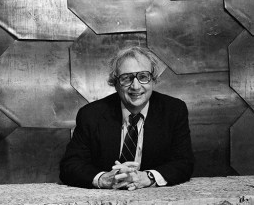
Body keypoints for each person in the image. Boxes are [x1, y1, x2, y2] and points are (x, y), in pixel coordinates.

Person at [60, 45, 194, 190]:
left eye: (143, 77)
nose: (136, 86)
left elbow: (184, 162)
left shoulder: (174, 110)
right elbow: (70, 165)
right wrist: (104, 179)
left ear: (153, 80)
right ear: (115, 83)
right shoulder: (91, 115)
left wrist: (148, 177)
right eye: (126, 78)